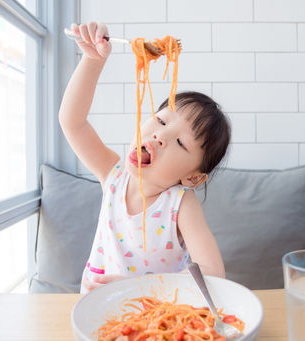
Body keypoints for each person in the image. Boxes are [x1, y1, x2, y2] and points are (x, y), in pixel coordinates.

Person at [59, 22, 231, 293]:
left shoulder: (180, 204)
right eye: (161, 121)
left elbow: (213, 275)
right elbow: (72, 122)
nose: (159, 136)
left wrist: (140, 287)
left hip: (156, 317)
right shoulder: (113, 175)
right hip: (96, 311)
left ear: (193, 177)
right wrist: (93, 61)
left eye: (181, 143)